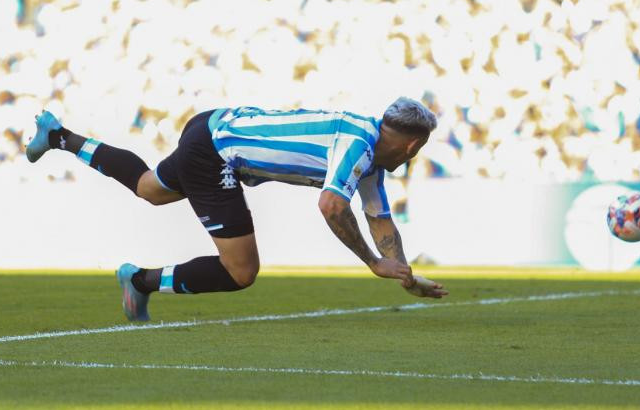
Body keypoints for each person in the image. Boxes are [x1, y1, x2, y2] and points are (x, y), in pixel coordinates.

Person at [24, 97, 448, 321]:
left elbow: (380, 219)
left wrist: (404, 275)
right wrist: (374, 263)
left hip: (214, 122)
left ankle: (59, 137)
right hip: (216, 153)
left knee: (150, 188)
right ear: (413, 145)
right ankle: (139, 281)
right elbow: (332, 205)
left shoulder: (367, 147)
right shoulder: (359, 147)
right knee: (240, 271)